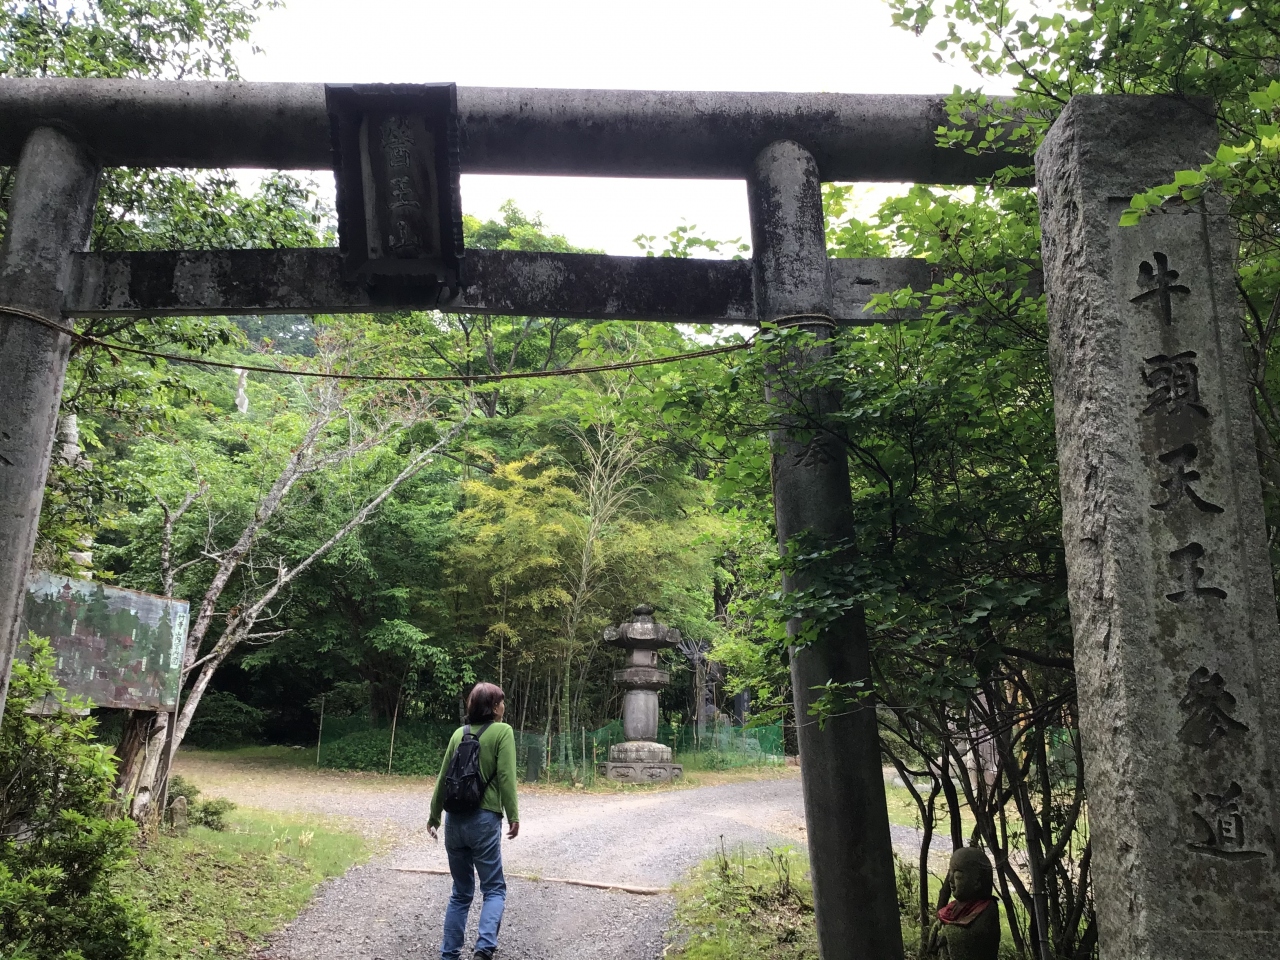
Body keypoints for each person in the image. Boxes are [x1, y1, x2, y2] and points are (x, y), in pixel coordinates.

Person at [428, 682, 520, 960]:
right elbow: (506, 777)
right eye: (501, 702)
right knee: (494, 888)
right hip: (484, 820)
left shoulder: (459, 734)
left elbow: (443, 777)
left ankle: (449, 954)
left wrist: (434, 816)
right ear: (493, 707)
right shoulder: (503, 732)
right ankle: (484, 948)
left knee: (460, 892)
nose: (504, 706)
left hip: (454, 822)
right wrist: (513, 815)